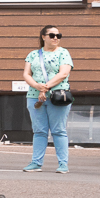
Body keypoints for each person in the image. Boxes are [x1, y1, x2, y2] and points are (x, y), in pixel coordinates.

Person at [22, 25, 72, 173]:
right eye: (52, 35)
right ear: (43, 37)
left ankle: (63, 164)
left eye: (58, 35)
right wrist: (37, 86)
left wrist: (45, 88)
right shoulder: (33, 55)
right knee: (39, 131)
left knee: (59, 131)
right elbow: (26, 74)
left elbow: (64, 73)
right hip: (34, 96)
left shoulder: (63, 53)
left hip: (58, 96)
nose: (55, 38)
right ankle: (36, 162)